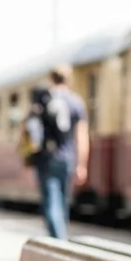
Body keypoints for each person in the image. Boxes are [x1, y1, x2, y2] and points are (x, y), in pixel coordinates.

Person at [24, 64, 89, 240]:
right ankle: (62, 238)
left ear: (51, 78)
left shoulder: (43, 99)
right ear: (69, 79)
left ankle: (58, 241)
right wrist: (82, 165)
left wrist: (29, 162)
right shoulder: (76, 102)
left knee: (50, 202)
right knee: (63, 201)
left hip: (46, 158)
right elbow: (81, 137)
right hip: (67, 158)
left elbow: (30, 132)